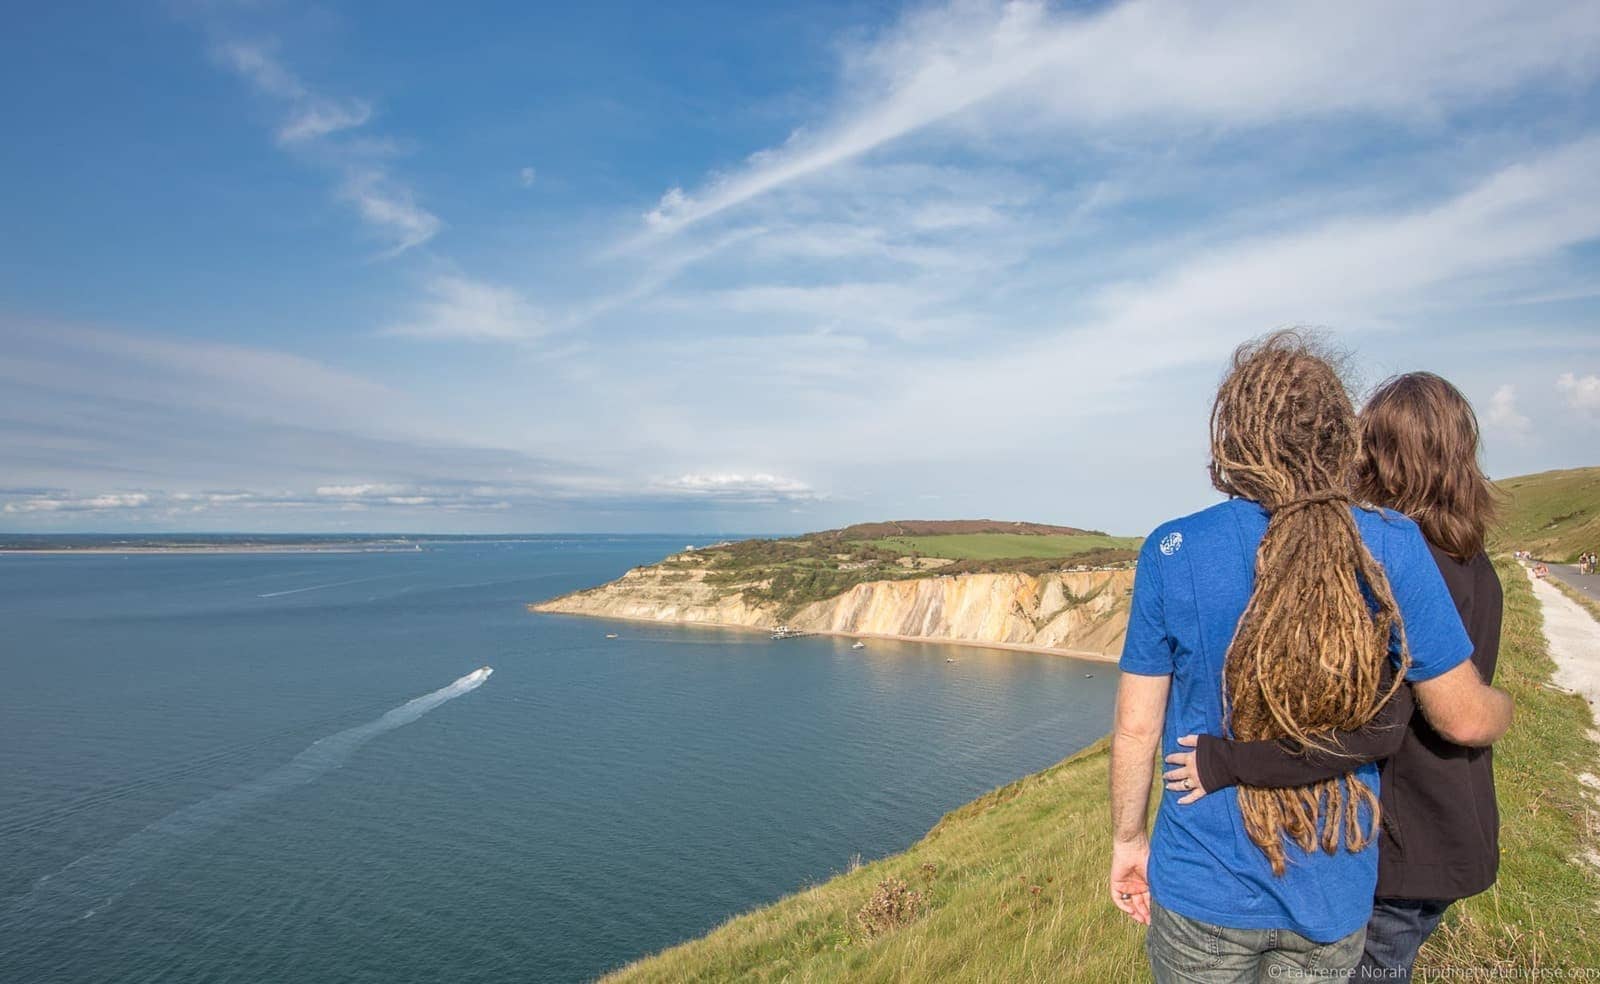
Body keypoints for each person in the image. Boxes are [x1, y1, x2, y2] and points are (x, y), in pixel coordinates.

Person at [1109, 334, 1512, 983]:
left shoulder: (1172, 549)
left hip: (1203, 880)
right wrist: (1505, 709)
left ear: (1231, 435)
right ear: (1336, 434)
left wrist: (1129, 843)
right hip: (1334, 884)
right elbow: (1464, 715)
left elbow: (1136, 727)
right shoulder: (1392, 542)